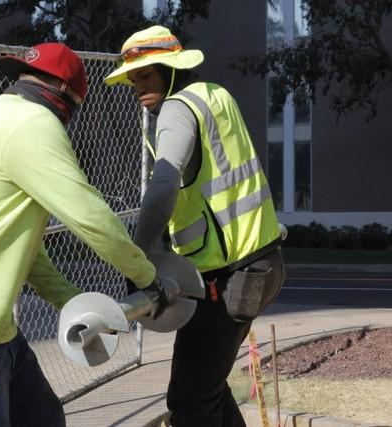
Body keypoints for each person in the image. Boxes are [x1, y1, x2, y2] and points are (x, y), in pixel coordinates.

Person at [0, 42, 163, 427]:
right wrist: (149, 279)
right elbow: (91, 218)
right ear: (68, 96)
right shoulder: (33, 124)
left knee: (43, 417)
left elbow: (26, 253)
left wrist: (74, 302)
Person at [105, 26, 286, 426]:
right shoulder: (215, 96)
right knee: (207, 386)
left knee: (188, 401)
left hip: (228, 278)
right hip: (262, 262)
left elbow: (164, 184)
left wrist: (138, 258)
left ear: (171, 71)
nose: (138, 87)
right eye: (134, 79)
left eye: (146, 75)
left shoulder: (175, 109)